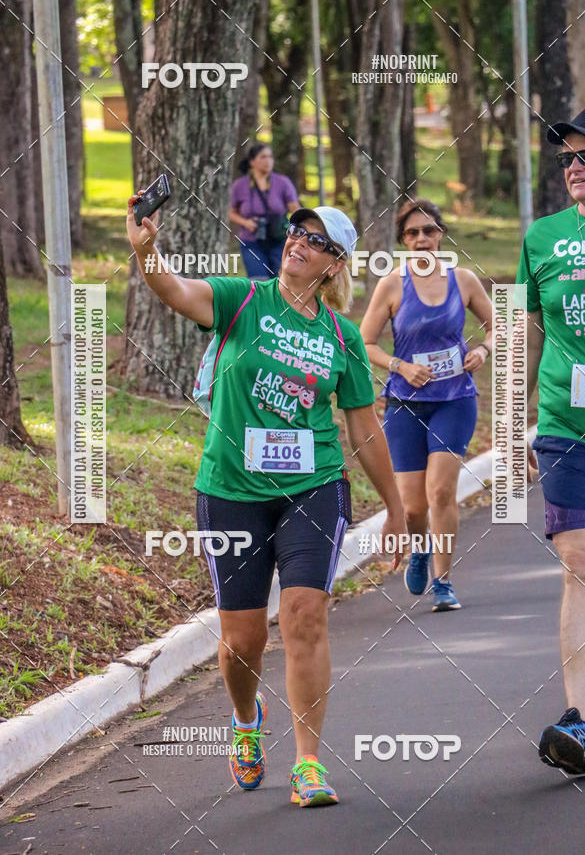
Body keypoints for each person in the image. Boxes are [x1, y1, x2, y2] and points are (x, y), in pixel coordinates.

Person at [127, 199, 407, 806]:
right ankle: (246, 719)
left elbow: (363, 429)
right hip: (230, 490)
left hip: (313, 487)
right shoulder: (241, 300)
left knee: (305, 614)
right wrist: (147, 247)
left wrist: (397, 509)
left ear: (334, 265)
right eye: (296, 232)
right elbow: (172, 290)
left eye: (315, 240)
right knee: (241, 641)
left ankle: (308, 763)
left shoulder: (340, 339)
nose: (297, 243)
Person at [517, 108, 585, 776]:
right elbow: (529, 331)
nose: (576, 166)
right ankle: (581, 721)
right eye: (569, 157)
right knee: (581, 559)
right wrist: (519, 418)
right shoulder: (541, 237)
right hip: (567, 426)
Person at [361, 199, 493, 612]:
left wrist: (484, 350)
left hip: (454, 400)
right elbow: (364, 343)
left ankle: (444, 579)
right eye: (413, 233)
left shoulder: (464, 280)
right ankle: (419, 549)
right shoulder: (391, 285)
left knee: (441, 492)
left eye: (430, 231)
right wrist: (400, 365)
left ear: (441, 235)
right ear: (403, 240)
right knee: (414, 508)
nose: (422, 240)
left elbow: (498, 323)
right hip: (404, 405)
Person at [229, 143, 300, 280]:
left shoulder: (282, 182)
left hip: (278, 240)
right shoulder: (240, 185)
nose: (268, 161)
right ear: (252, 162)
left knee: (280, 281)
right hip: (251, 241)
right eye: (263, 157)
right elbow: (230, 212)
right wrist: (246, 222)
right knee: (258, 281)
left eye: (270, 157)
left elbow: (295, 210)